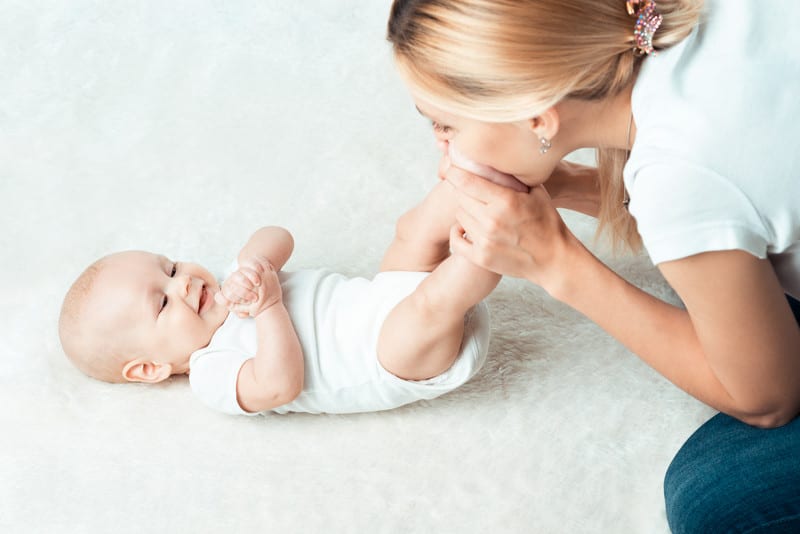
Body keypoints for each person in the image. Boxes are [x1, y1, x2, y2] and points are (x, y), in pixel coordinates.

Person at [386, 0, 800, 532]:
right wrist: (573, 185)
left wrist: (558, 264)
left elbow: (768, 397)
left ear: (537, 114)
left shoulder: (679, 180)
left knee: (712, 493)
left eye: (445, 125)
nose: (442, 147)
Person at [58, 179, 501, 415]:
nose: (183, 284)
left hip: (386, 293)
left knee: (413, 231)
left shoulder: (237, 283)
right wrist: (269, 309)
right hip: (393, 358)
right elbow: (278, 385)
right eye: (163, 303)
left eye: (171, 267)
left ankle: (494, 182)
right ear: (150, 368)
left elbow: (278, 236)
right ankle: (507, 238)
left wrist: (255, 262)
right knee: (432, 305)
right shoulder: (212, 374)